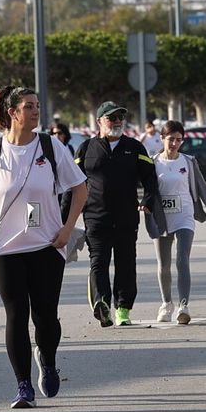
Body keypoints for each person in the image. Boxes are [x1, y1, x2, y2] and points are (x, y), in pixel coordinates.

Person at [0, 86, 89, 409]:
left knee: (46, 317)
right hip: (4, 249)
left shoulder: (50, 147)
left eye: (37, 106)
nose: (36, 112)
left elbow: (80, 188)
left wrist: (66, 227)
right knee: (16, 315)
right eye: (29, 107)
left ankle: (46, 360)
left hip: (47, 245)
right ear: (13, 112)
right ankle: (23, 386)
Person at [76, 100, 164, 327]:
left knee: (126, 263)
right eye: (111, 118)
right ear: (99, 122)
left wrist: (147, 200)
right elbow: (73, 184)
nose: (116, 122)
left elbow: (150, 179)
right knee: (99, 262)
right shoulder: (86, 148)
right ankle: (102, 304)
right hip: (95, 217)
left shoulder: (135, 147)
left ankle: (123, 309)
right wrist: (63, 215)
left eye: (119, 118)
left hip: (126, 217)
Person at [145, 120, 206, 324]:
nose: (175, 143)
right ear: (162, 139)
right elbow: (148, 191)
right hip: (162, 217)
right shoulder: (153, 162)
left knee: (182, 260)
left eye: (179, 140)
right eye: (171, 139)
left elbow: (202, 188)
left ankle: (184, 305)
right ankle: (166, 304)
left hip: (185, 215)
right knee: (164, 264)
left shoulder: (188, 162)